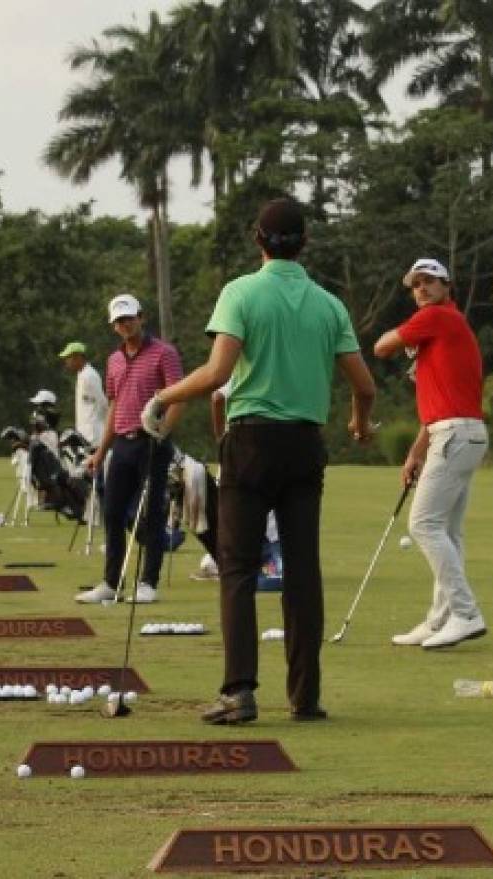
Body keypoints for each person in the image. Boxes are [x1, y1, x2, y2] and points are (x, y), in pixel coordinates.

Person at [146, 197, 376, 725]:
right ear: (306, 242)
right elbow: (363, 385)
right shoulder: (328, 305)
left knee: (239, 570)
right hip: (304, 446)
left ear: (257, 240)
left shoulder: (241, 293)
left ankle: (239, 692)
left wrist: (162, 399)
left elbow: (214, 373)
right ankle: (305, 697)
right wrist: (360, 425)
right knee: (302, 571)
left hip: (250, 442)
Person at [374, 258, 488, 648]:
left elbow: (382, 347)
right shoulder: (441, 331)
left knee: (423, 524)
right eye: (415, 284)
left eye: (429, 281)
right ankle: (440, 619)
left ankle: (466, 612)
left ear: (446, 285)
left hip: (456, 434)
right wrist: (416, 452)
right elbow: (437, 404)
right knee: (447, 531)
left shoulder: (438, 318)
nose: (421, 289)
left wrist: (405, 337)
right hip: (455, 434)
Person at [74, 294, 184, 605]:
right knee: (111, 512)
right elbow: (114, 408)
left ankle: (148, 582)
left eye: (129, 318)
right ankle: (112, 583)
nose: (125, 325)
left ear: (141, 317)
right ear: (113, 326)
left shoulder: (165, 353)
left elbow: (178, 397)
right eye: (119, 321)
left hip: (153, 442)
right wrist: (100, 452)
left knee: (150, 513)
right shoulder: (113, 360)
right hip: (122, 444)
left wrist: (163, 432)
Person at [59, 341, 108, 446]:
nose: (66, 362)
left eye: (68, 358)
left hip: (93, 434)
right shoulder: (81, 375)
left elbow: (103, 403)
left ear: (78, 357)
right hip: (84, 433)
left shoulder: (89, 376)